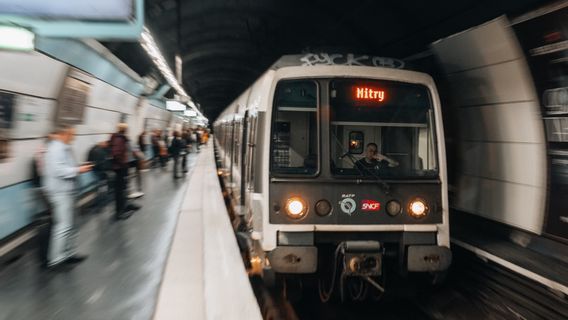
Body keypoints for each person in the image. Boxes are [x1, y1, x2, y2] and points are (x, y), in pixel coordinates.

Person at [42, 124, 92, 269]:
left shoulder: (63, 147)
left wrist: (78, 168)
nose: (74, 137)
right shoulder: (56, 149)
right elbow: (58, 170)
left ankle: (68, 253)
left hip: (68, 191)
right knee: (63, 226)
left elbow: (65, 166)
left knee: (73, 225)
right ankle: (56, 259)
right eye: (72, 134)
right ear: (65, 134)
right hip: (60, 192)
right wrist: (79, 169)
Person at [109, 123, 140, 220]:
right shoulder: (119, 139)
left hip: (123, 167)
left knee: (124, 188)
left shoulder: (122, 138)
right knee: (119, 190)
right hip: (120, 168)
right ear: (124, 129)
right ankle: (119, 212)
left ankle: (125, 205)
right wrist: (122, 164)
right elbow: (116, 153)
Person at [87, 140, 111, 208]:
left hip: (95, 170)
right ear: (102, 143)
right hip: (99, 170)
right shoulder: (100, 151)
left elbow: (89, 160)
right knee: (101, 185)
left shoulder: (93, 149)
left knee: (99, 186)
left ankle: (98, 201)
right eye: (105, 144)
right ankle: (101, 201)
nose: (106, 145)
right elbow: (102, 162)